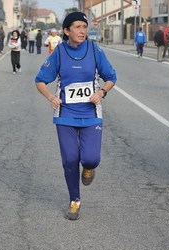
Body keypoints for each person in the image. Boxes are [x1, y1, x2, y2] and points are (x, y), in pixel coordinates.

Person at [35, 12, 117, 220]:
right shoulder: (59, 52)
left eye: (84, 26)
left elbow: (111, 77)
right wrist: (51, 97)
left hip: (91, 113)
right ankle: (74, 200)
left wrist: (101, 92)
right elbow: (40, 80)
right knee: (70, 159)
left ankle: (89, 168)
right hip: (65, 114)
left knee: (91, 158)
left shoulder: (95, 49)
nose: (82, 31)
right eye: (77, 27)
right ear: (66, 31)